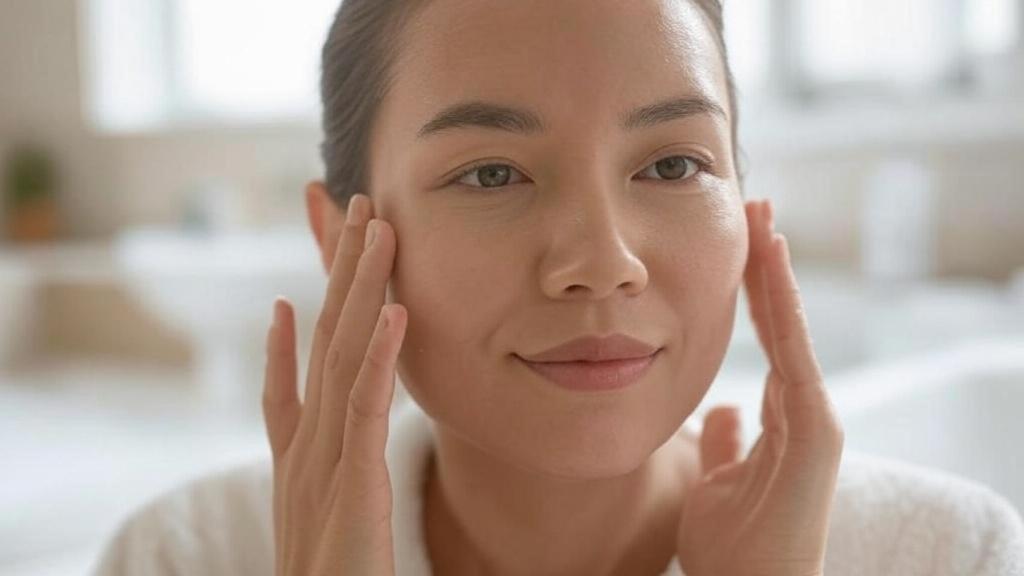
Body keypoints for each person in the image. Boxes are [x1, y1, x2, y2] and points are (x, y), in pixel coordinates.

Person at [93, 1, 1024, 575]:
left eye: (672, 165)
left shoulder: (948, 555)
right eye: (492, 173)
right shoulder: (184, 559)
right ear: (343, 239)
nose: (604, 260)